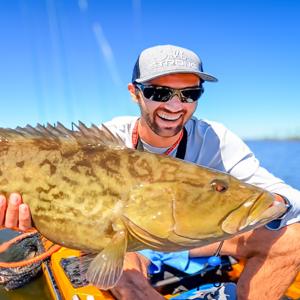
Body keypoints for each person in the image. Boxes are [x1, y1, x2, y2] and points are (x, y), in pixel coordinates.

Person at [1, 44, 300, 300]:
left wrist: (271, 206)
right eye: (159, 92)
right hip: (127, 242)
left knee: (294, 237)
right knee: (125, 277)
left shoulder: (216, 139)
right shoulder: (106, 144)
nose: (174, 104)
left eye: (189, 93)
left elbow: (288, 198)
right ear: (135, 93)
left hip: (193, 241)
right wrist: (28, 219)